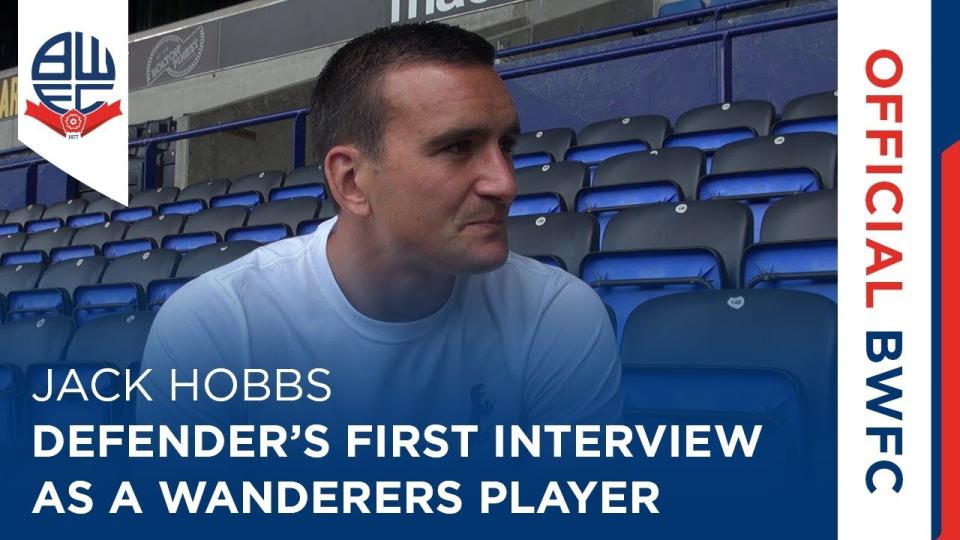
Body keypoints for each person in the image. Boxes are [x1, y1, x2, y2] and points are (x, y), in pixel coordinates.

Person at [138, 22, 620, 426]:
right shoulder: (216, 327)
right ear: (351, 181)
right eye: (457, 147)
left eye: (507, 147)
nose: (505, 183)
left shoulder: (557, 315)